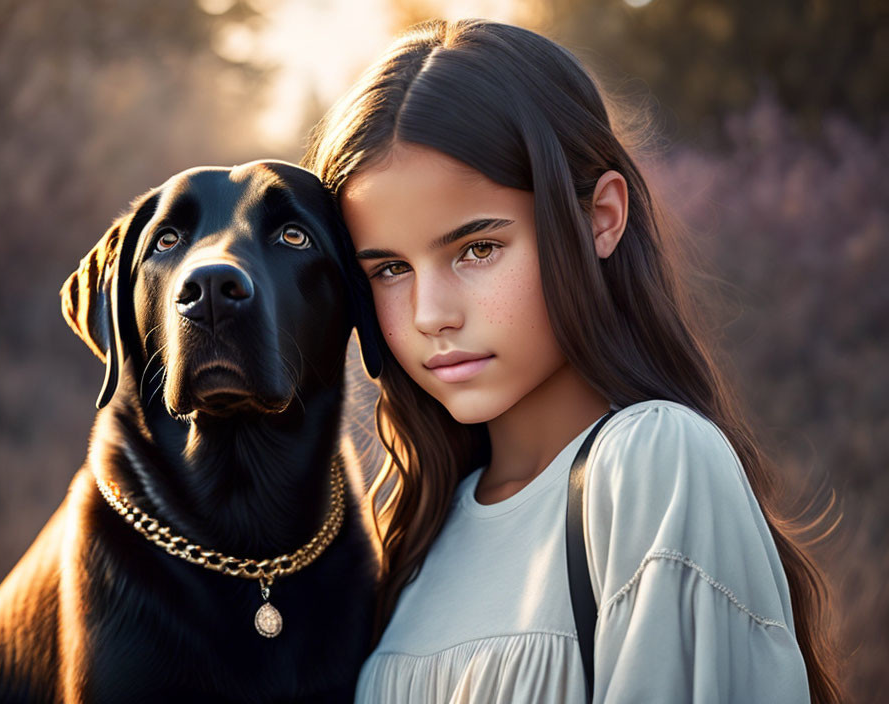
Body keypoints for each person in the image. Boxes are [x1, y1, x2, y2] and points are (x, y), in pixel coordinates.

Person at [302, 18, 841, 703]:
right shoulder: (410, 539)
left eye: (477, 250)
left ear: (600, 218)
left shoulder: (654, 464)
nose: (430, 313)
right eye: (387, 269)